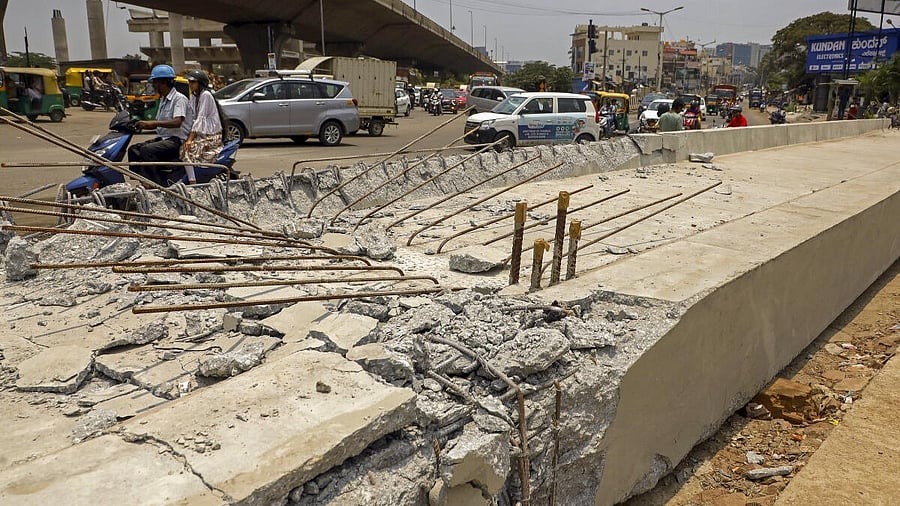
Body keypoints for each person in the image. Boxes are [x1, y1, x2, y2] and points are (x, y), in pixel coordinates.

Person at [128, 64, 192, 179]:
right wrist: (137, 124)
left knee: (147, 150)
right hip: (164, 138)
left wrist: (153, 123)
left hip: (177, 140)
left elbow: (177, 122)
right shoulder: (163, 99)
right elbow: (158, 124)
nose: (154, 86)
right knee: (133, 149)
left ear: (164, 82)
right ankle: (141, 179)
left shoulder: (179, 99)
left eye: (155, 83)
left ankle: (153, 182)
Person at [181, 70, 225, 184]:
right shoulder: (194, 97)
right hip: (201, 133)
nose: (190, 84)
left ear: (200, 83)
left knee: (186, 150)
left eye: (193, 82)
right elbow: (191, 117)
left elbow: (200, 118)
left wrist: (190, 139)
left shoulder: (205, 95)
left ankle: (192, 182)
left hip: (211, 135)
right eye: (189, 82)